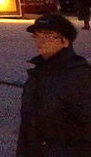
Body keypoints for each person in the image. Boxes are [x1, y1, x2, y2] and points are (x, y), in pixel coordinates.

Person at [16, 12, 91, 156]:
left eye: (49, 36)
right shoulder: (37, 74)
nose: (41, 41)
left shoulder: (79, 76)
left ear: (65, 41)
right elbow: (27, 127)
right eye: (38, 35)